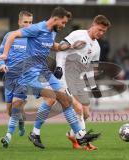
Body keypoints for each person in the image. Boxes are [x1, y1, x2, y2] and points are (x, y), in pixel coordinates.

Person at [0, 7, 100, 149]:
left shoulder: (52, 31)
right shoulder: (36, 28)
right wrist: (5, 55)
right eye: (63, 22)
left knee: (65, 98)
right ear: (56, 19)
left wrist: (71, 46)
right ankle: (75, 134)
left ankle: (74, 134)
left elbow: (53, 46)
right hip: (29, 73)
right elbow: (12, 36)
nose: (63, 25)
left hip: (44, 70)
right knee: (56, 97)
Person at [54, 15, 111, 150]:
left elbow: (90, 69)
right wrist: (59, 67)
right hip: (64, 76)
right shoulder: (78, 34)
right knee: (78, 108)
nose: (101, 33)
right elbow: (61, 50)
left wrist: (93, 86)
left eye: (104, 31)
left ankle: (72, 134)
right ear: (93, 24)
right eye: (99, 29)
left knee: (86, 113)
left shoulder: (96, 47)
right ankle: (85, 142)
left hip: (77, 80)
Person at [0, 10, 33, 147]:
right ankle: (21, 123)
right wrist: (2, 65)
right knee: (10, 111)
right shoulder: (10, 36)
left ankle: (8, 136)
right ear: (19, 22)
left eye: (30, 22)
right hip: (9, 77)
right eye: (25, 22)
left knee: (16, 105)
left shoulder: (33, 38)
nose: (28, 25)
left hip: (24, 77)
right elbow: (1, 53)